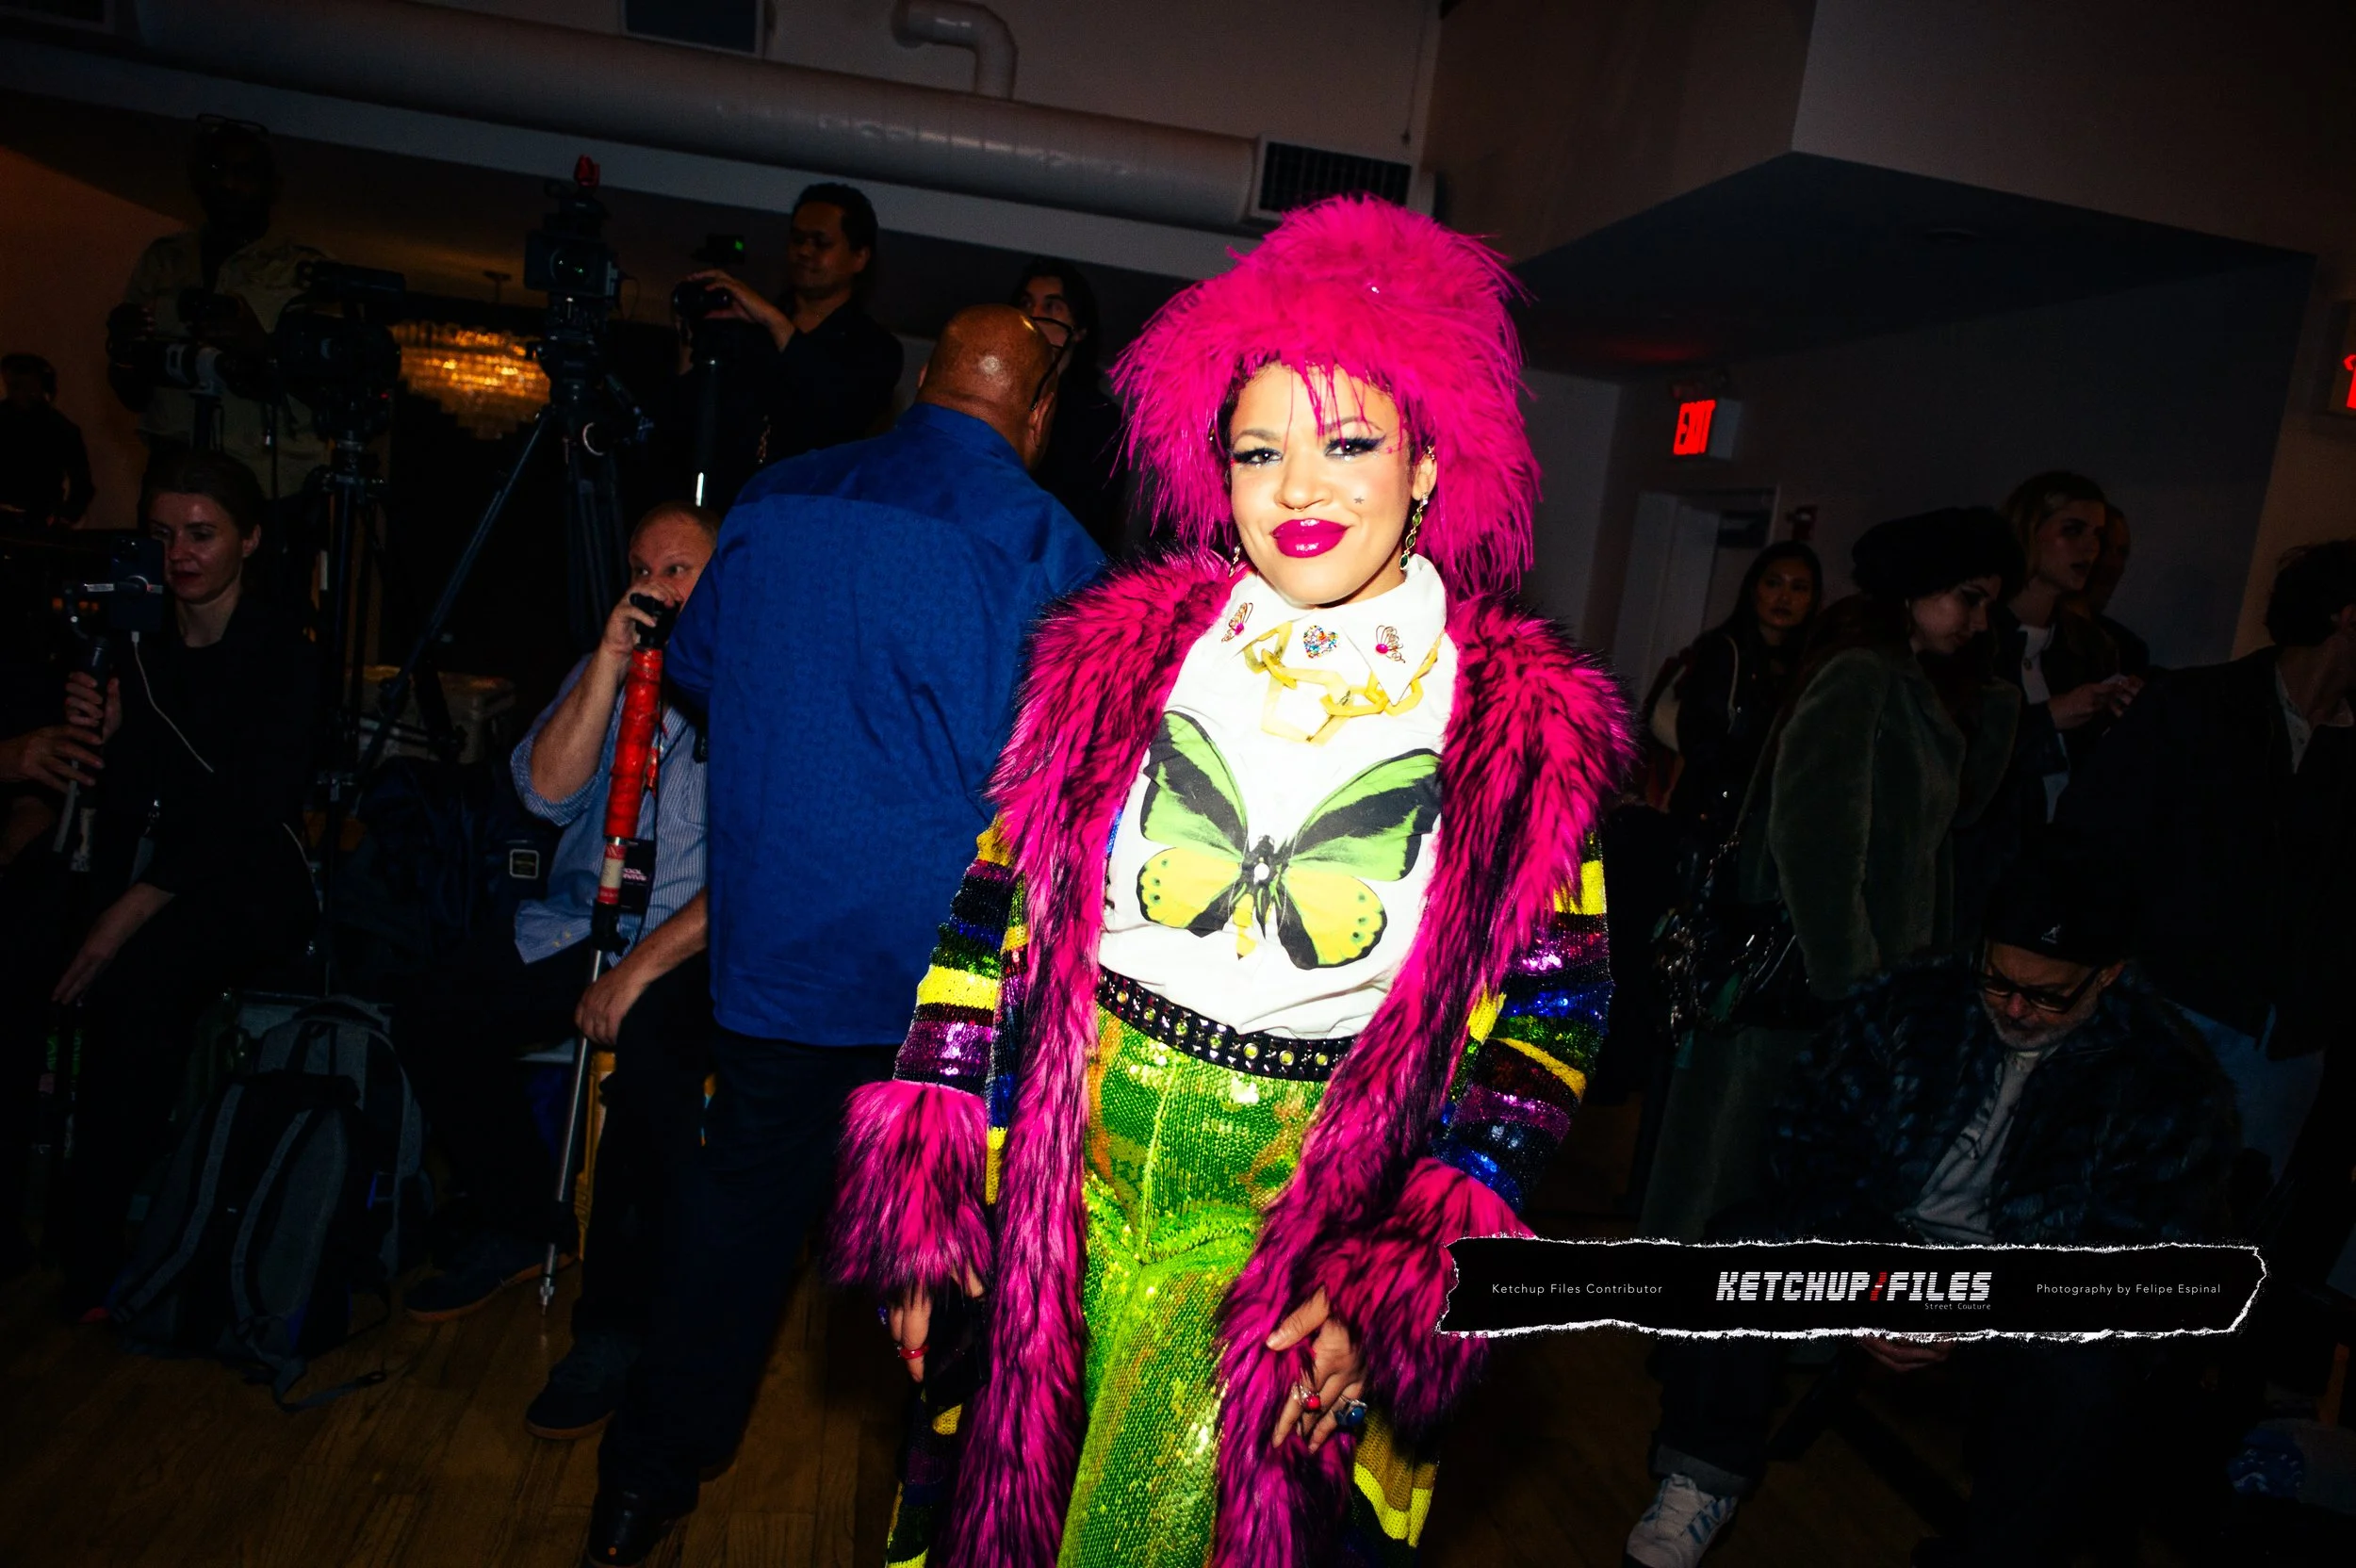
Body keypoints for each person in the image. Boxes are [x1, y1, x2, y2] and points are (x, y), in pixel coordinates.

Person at [829, 197, 1631, 1568]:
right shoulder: (1121, 658)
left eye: (1349, 441)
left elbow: (1549, 1026)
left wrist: (1411, 1269)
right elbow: (990, 921)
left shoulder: (1513, 721)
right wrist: (934, 1183)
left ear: (1431, 461)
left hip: (1295, 1213)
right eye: (1260, 450)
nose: (1300, 487)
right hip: (1059, 1179)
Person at [581, 304, 1102, 1564]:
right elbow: (1077, 774)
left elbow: (701, 671)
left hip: (783, 956)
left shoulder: (771, 502)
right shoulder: (1049, 542)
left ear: (924, 382)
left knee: (736, 1226)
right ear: (1037, 417)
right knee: (956, 1266)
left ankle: (640, 1493)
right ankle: (953, 1512)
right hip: (946, 986)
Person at [1624, 851, 2237, 1568]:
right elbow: (1808, 1143)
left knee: (2090, 1372)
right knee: (1746, 1242)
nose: (2013, 1007)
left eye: (2046, 997)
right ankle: (1701, 1480)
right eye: (1998, 980)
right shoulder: (1912, 1004)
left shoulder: (2165, 1077)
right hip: (1883, 1237)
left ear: (2108, 977)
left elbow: (2134, 1255)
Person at [389, 503, 717, 1439]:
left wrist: (637, 971)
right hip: (581, 914)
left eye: (681, 570)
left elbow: (757, 877)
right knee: (438, 1006)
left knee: (653, 1066)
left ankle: (614, 1325)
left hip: (691, 937)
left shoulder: (762, 688)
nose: (657, 588)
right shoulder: (602, 670)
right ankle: (515, 1214)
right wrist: (610, 664)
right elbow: (543, 790)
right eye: (643, 569)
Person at [1641, 510, 2021, 1241]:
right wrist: (1853, 984)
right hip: (1811, 972)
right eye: (1969, 597)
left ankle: (1759, 1330)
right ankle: (1705, 1338)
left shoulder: (1921, 684)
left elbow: (1966, 809)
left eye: (1988, 604)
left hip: (1868, 978)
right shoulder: (1861, 673)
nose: (1980, 619)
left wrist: (1994, 694)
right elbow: (1813, 836)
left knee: (1800, 1174)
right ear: (1916, 590)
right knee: (1743, 1166)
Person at [0, 449, 318, 1309]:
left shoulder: (280, 651)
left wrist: (123, 915)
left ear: (248, 540)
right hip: (135, 853)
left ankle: (95, 1245)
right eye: (162, 533)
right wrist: (89, 727)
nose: (179, 553)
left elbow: (245, 813)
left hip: (239, 875)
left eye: (202, 534)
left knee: (138, 984)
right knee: (26, 938)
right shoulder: (130, 635)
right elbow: (102, 783)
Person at [2055, 538, 2356, 1202]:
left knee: (2222, 1231)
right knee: (2099, 1205)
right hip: (2165, 1006)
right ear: (2347, 616)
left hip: (2284, 1041)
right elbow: (2093, 842)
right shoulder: (2195, 705)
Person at [108, 119, 330, 528]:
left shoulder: (305, 270)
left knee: (264, 593)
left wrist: (261, 348)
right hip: (174, 475)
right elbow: (132, 392)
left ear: (272, 186)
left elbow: (330, 386)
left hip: (268, 486)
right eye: (216, 171)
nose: (228, 184)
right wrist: (124, 350)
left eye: (244, 172)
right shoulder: (165, 260)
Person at [674, 182, 905, 503]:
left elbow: (835, 409)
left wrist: (774, 322)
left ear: (859, 257)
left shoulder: (876, 348)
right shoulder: (747, 329)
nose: (804, 252)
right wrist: (689, 339)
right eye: (797, 240)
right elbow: (690, 423)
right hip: (728, 511)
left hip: (806, 516)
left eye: (821, 243)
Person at [1989, 472, 2138, 826]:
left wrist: (2129, 716)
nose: (2091, 548)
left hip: (2059, 859)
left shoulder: (2091, 646)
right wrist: (2046, 718)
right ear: (2028, 529)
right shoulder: (1975, 635)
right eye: (2073, 530)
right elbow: (1960, 756)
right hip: (1985, 860)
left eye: (2097, 536)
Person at [1654, 541, 1822, 842]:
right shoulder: (1722, 651)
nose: (1785, 597)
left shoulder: (1808, 665)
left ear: (1812, 600)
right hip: (1712, 815)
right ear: (1753, 588)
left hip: (1768, 817)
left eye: (1799, 588)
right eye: (1773, 583)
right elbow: (1702, 740)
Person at [1011, 256, 1129, 554]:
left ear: (1079, 329)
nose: (1034, 315)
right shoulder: (997, 398)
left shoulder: (1102, 420)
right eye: (1026, 304)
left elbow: (1090, 522)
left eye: (1052, 307)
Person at [0, 354, 94, 528]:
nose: (20, 393)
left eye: (23, 386)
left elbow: (82, 484)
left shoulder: (61, 428)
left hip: (40, 521)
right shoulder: (61, 427)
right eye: (14, 386)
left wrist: (65, 518)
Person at [2084, 504, 2152, 678]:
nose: (2113, 564)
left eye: (2122, 553)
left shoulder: (2128, 648)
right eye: (2104, 548)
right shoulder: (2028, 636)